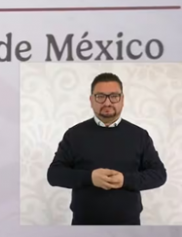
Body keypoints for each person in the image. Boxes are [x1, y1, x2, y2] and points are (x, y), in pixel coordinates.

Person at [46, 72, 166, 225]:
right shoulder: (74, 135)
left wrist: (125, 180)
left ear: (122, 100)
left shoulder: (139, 135)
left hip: (128, 226)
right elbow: (54, 175)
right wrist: (90, 178)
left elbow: (159, 175)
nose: (107, 102)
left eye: (114, 96)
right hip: (84, 225)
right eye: (100, 96)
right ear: (91, 100)